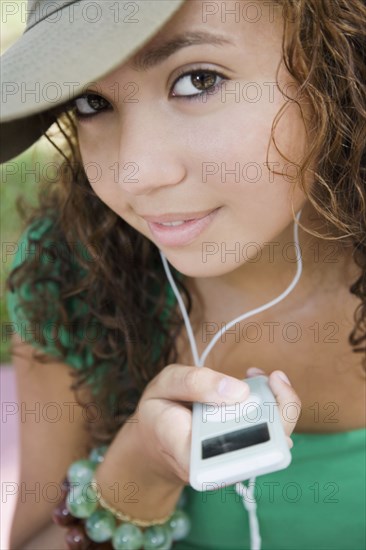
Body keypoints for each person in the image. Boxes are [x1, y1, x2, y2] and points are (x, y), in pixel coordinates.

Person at [1, 0, 365, 548]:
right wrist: (137, 476)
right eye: (91, 100)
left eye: (198, 80)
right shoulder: (72, 273)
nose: (136, 173)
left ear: (338, 60)